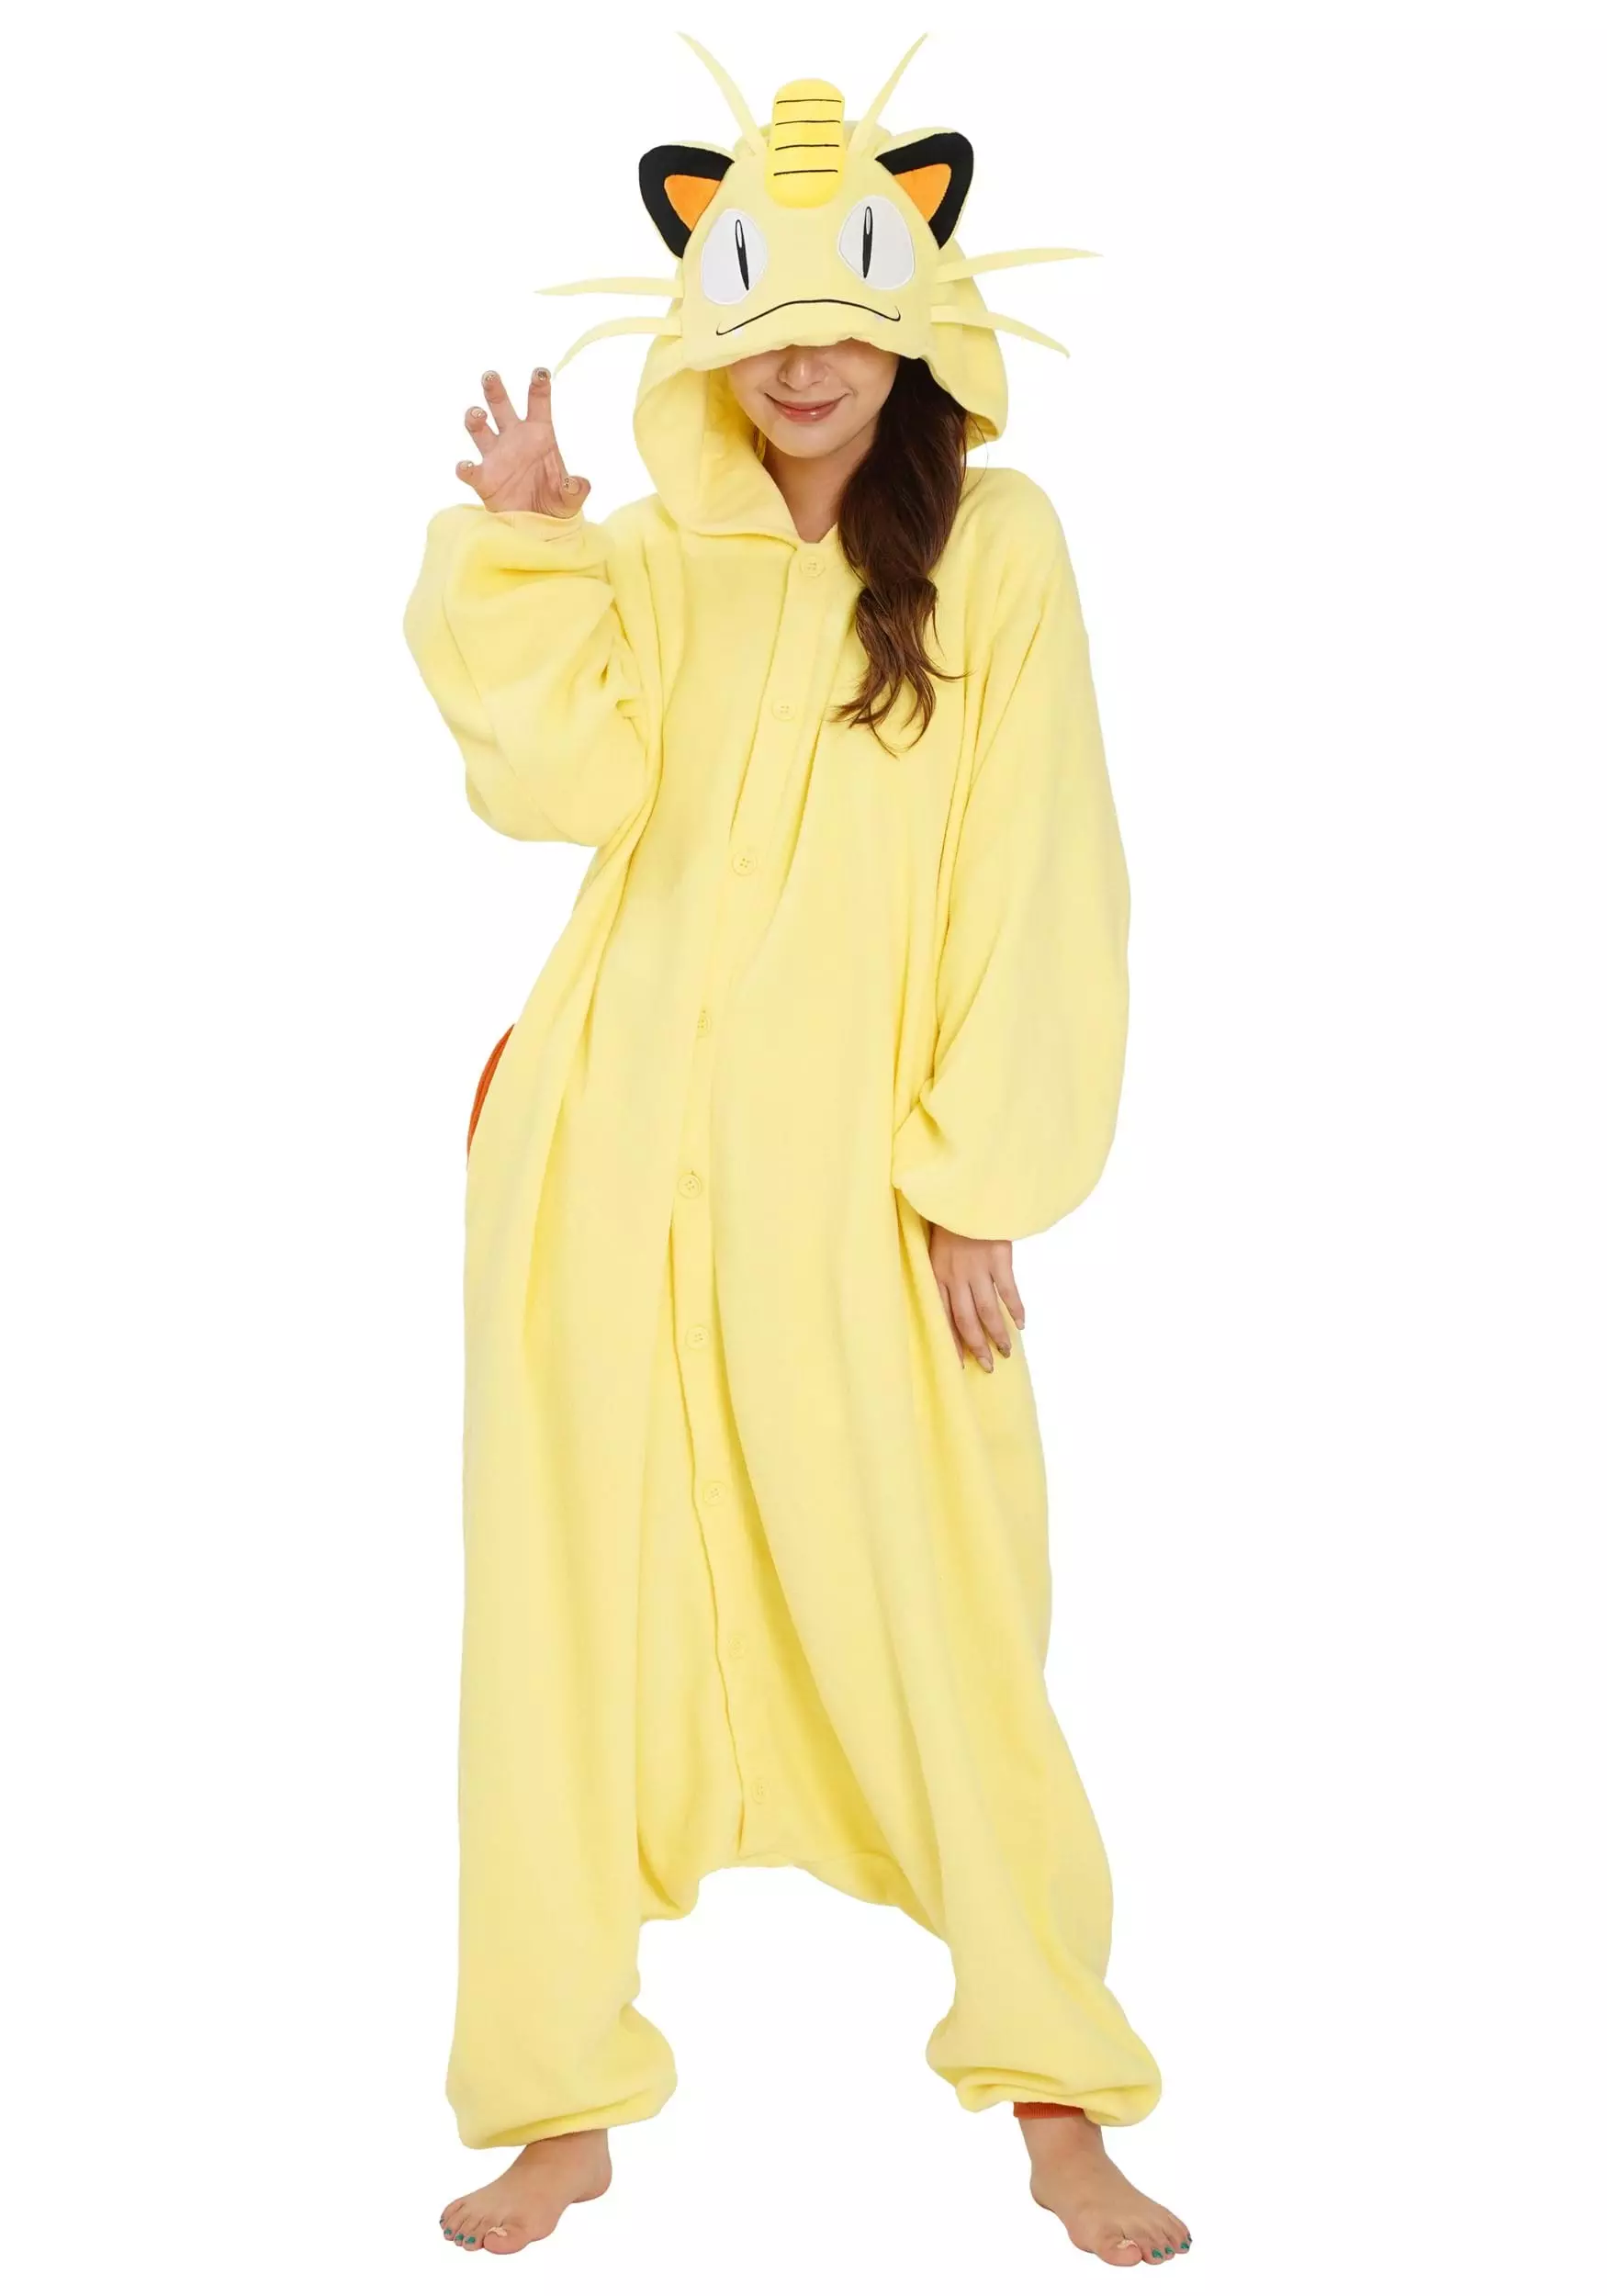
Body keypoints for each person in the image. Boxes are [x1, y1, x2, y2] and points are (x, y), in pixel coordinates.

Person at [402, 37, 1190, 2268]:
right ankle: (555, 2098)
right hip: (604, 1155)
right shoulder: (660, 556)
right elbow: (561, 795)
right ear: (701, 321)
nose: (807, 363)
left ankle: (1056, 2088)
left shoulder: (998, 550)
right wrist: (534, 552)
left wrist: (976, 1170)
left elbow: (1045, 864)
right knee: (563, 1618)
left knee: (946, 1608)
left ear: (915, 311)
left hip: (857, 1185)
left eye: (845, 316)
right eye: (762, 323)